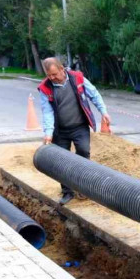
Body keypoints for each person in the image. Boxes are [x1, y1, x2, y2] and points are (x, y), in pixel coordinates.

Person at [37, 57, 111, 205]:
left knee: (83, 153)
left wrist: (103, 111)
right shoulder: (45, 88)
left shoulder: (77, 78)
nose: (52, 78)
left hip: (80, 126)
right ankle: (67, 192)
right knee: (60, 162)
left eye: (54, 74)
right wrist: (48, 133)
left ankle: (83, 188)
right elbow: (47, 112)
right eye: (49, 75)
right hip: (60, 130)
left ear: (62, 69)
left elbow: (94, 94)